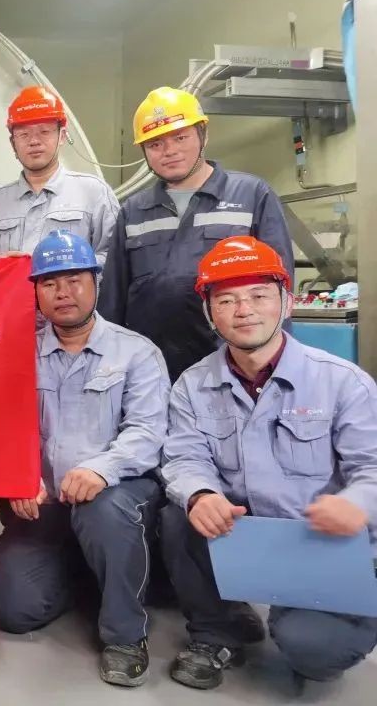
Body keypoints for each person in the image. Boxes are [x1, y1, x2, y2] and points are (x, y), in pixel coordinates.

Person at [160, 236, 377, 689]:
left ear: (286, 302)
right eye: (226, 300)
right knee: (178, 515)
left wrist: (357, 503)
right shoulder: (192, 385)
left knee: (313, 649)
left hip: (322, 542)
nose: (244, 310)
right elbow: (184, 455)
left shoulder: (342, 382)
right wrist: (200, 493)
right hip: (245, 537)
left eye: (259, 295)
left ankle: (315, 614)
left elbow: (372, 467)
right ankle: (216, 631)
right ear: (209, 313)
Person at [0, 230, 168, 687]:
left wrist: (99, 470)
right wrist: (17, 475)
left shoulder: (136, 352)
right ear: (35, 292)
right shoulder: (18, 352)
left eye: (74, 280)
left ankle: (126, 634)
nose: (62, 292)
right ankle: (88, 573)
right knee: (15, 611)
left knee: (103, 511)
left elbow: (148, 433)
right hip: (45, 504)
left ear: (95, 282)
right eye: (49, 283)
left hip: (115, 497)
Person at [99, 87, 294, 381]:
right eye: (155, 144)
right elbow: (113, 301)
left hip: (233, 368)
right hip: (152, 371)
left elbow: (280, 288)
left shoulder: (252, 195)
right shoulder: (133, 210)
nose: (169, 151)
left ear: (203, 134)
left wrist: (274, 365)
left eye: (180, 138)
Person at [0, 86, 118, 263]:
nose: (34, 141)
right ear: (13, 143)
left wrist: (66, 265)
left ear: (62, 136)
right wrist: (1, 266)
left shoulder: (94, 193)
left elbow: (115, 259)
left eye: (44, 131)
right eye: (24, 134)